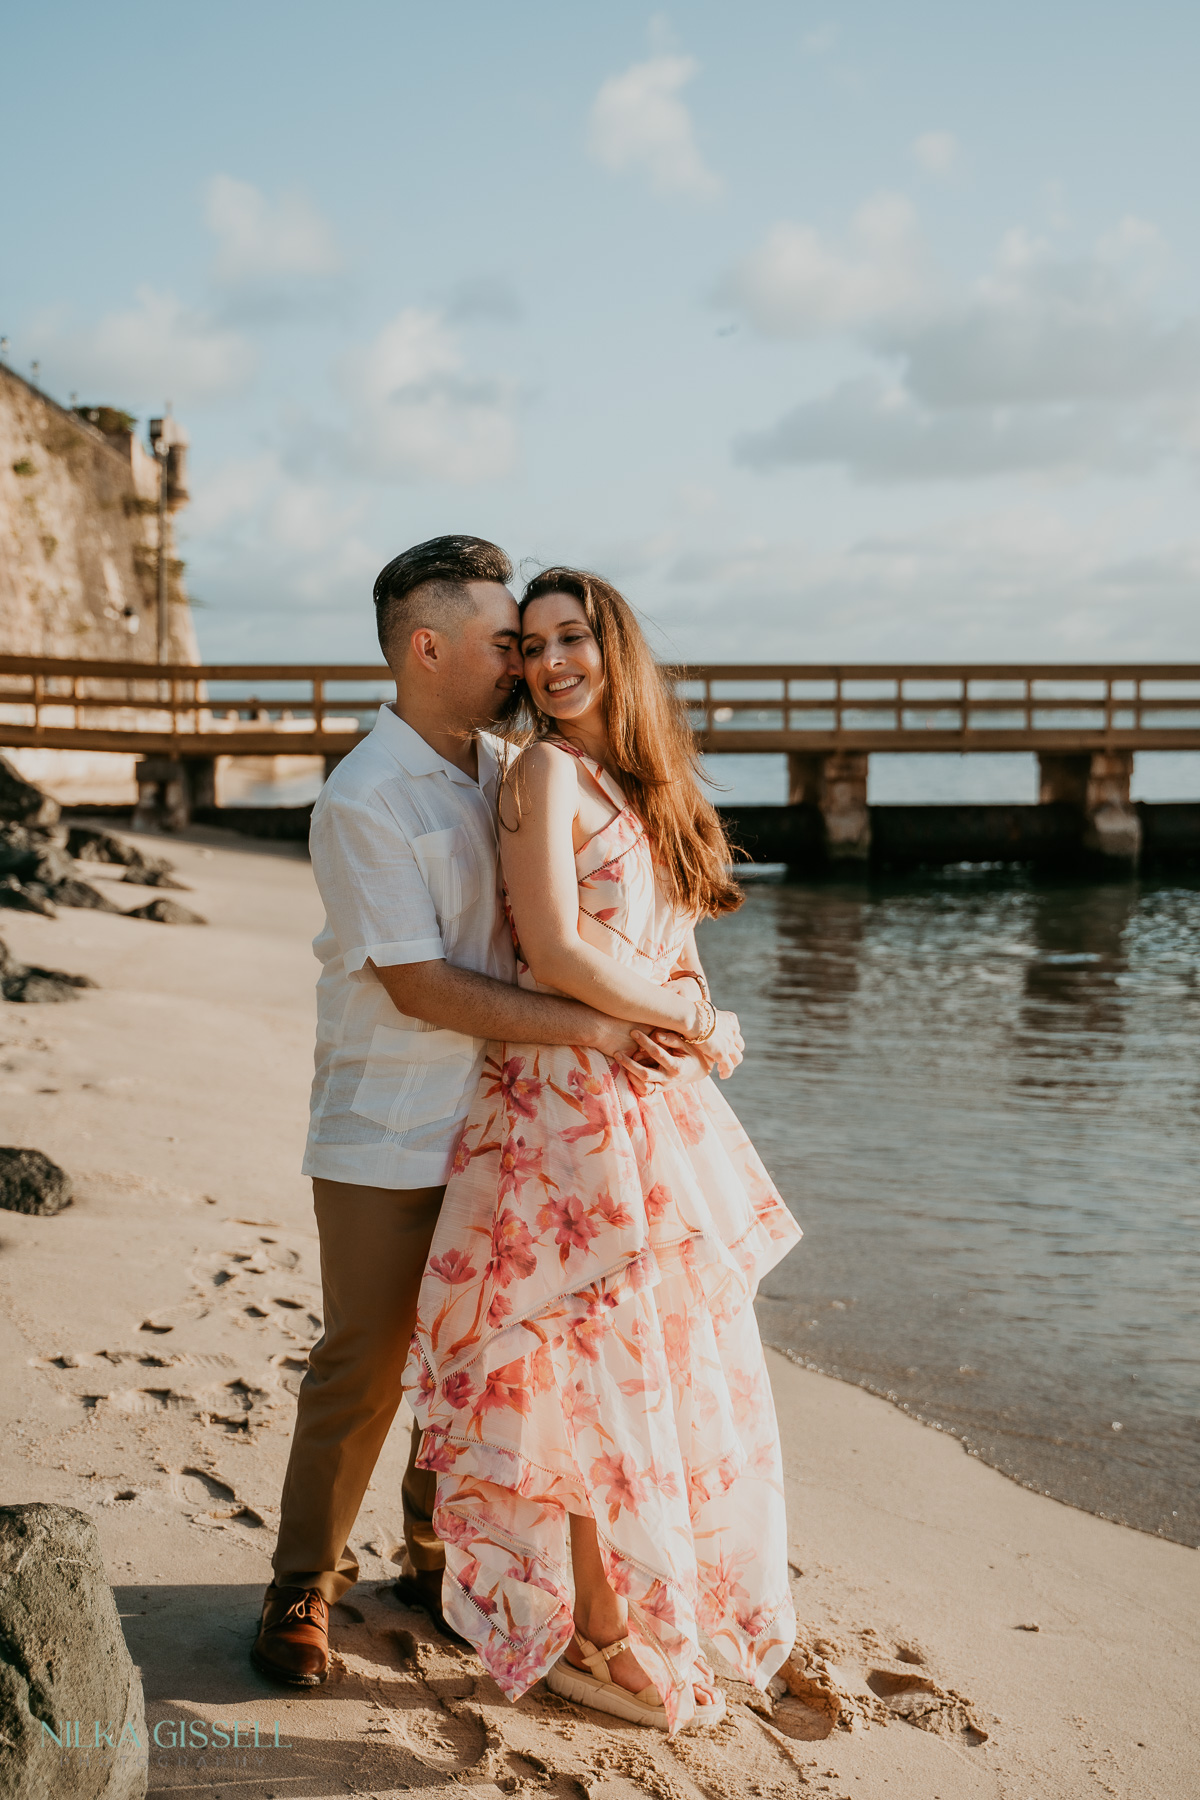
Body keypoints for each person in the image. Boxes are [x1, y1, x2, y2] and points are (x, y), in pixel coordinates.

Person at [252, 537, 722, 1686]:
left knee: (479, 1356)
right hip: (392, 1123)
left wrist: (687, 1001)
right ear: (428, 648)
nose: (523, 660)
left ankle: (433, 1558)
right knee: (365, 1361)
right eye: (504, 642)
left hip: (512, 1123)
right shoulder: (365, 794)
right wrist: (606, 1031)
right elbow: (419, 984)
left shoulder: (509, 763)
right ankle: (302, 1587)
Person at [404, 567, 801, 1735]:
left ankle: (636, 1604)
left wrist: (698, 1012)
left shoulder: (643, 780)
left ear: (614, 647)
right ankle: (599, 1629)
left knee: (663, 1368)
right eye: (529, 645)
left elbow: (666, 943)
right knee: (583, 1374)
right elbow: (564, 951)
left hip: (647, 1106)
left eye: (571, 636)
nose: (549, 662)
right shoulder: (542, 772)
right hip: (561, 1109)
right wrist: (689, 1022)